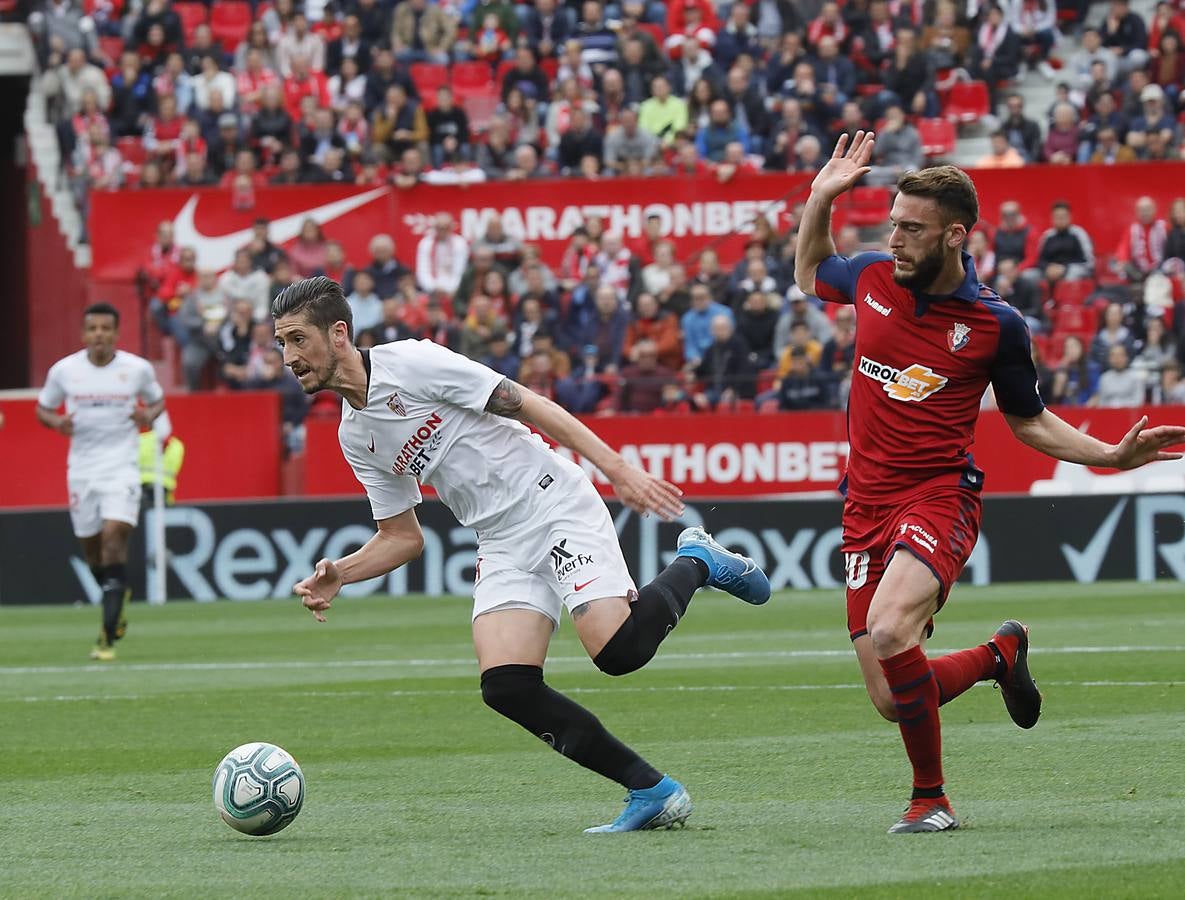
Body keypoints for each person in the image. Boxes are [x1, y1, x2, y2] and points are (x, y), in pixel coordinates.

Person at [272, 276, 771, 832]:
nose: (289, 357)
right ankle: (651, 790)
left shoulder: (410, 364)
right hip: (501, 540)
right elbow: (403, 537)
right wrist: (343, 572)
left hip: (551, 501)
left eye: (297, 339)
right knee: (506, 684)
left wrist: (618, 468)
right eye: (282, 344)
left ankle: (697, 560)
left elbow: (526, 403)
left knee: (618, 652)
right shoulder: (354, 435)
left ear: (338, 333)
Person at [793, 133, 1185, 834]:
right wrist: (821, 197)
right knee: (889, 697)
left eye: (910, 229)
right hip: (862, 508)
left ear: (954, 235)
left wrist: (1109, 456)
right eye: (891, 224)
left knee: (888, 631)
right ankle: (998, 655)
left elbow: (1028, 423)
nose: (895, 239)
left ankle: (930, 800)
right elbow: (810, 271)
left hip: (937, 497)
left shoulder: (994, 325)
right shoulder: (873, 279)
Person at [35, 303, 166, 661]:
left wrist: (147, 415)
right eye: (92, 328)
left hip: (122, 466)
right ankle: (117, 592)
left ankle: (106, 637)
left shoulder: (136, 369)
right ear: (83, 333)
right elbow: (43, 408)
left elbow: (157, 402)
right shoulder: (64, 371)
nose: (99, 335)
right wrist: (56, 422)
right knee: (93, 552)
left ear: (115, 332)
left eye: (105, 328)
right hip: (82, 470)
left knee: (114, 535)